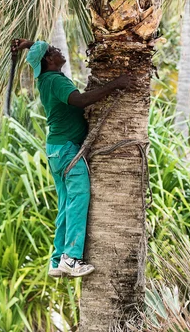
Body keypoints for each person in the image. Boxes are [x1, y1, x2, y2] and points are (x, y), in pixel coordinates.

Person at [11, 38, 136, 278]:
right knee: (78, 198)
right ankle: (71, 259)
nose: (59, 50)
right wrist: (116, 84)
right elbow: (79, 100)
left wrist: (27, 44)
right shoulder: (55, 81)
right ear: (49, 60)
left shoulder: (46, 79)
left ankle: (58, 259)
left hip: (56, 150)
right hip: (67, 149)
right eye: (54, 50)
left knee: (66, 204)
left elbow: (40, 51)